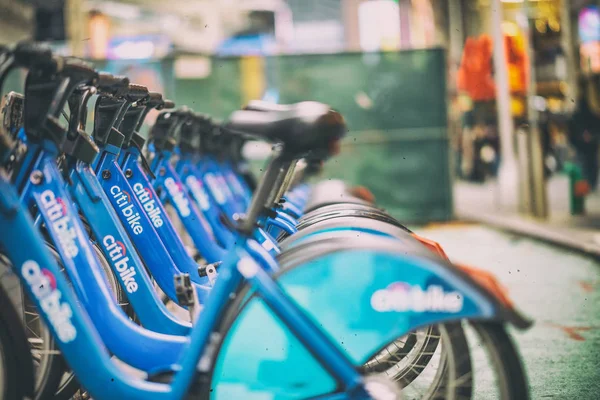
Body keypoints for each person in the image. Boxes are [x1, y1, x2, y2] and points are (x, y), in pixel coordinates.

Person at [569, 87, 600, 191]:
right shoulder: (592, 115)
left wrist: (576, 142)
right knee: (592, 167)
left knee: (582, 168)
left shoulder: (575, 117)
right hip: (591, 148)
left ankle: (584, 187)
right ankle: (591, 185)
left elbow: (571, 135)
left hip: (581, 148)